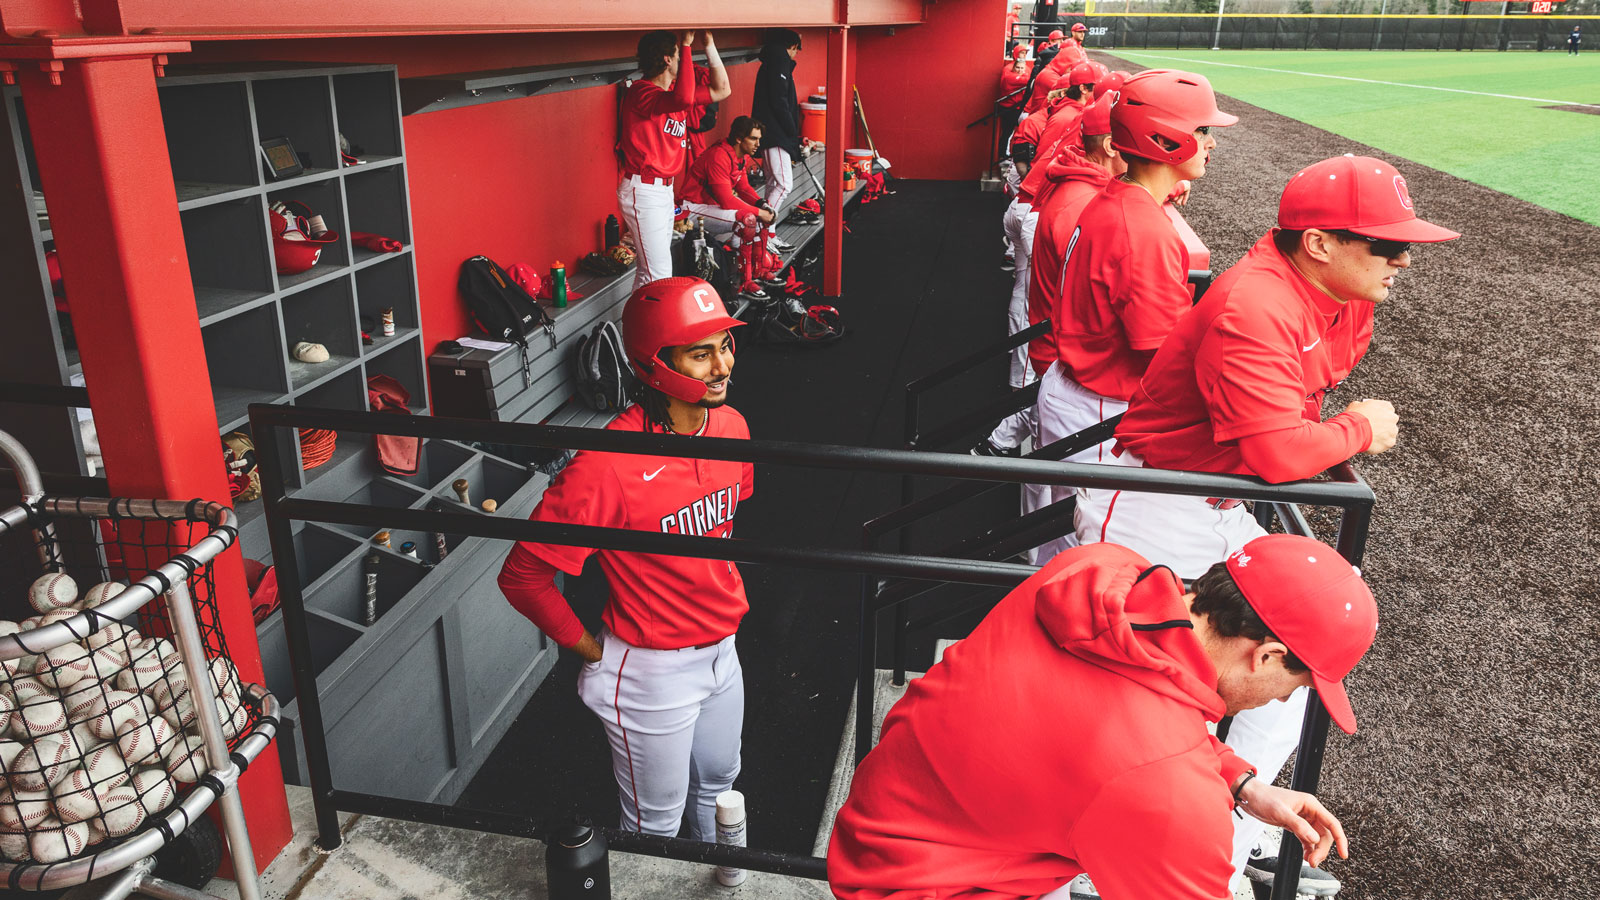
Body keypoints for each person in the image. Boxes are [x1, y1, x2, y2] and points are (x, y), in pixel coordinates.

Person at [1079, 155, 1457, 890]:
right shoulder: (1256, 302)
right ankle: (1101, 856)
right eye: (1384, 244)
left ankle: (1228, 838)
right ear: (1319, 243)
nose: (1403, 258)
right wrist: (1353, 430)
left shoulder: (1333, 293)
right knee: (1140, 690)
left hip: (1215, 502)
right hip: (1156, 502)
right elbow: (1280, 453)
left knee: (1298, 667)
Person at [827, 535, 1376, 900]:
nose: (1283, 701)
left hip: (888, 824)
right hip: (933, 884)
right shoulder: (1166, 788)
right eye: (1298, 685)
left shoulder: (1098, 568)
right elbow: (1142, 758)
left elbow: (1121, 725)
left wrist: (1239, 781)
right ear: (1267, 655)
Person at [498, 277, 754, 842]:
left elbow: (727, 521)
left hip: (723, 653)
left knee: (721, 786)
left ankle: (727, 882)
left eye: (725, 345)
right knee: (653, 824)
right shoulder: (608, 462)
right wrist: (592, 651)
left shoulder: (733, 426)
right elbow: (522, 577)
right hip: (652, 669)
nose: (722, 366)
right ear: (656, 362)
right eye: (701, 352)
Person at [1033, 70, 1236, 535]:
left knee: (1054, 541)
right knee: (1087, 554)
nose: (1211, 143)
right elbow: (1163, 355)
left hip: (1078, 390)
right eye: (1202, 130)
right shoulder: (1141, 228)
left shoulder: (1118, 198)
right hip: (1101, 407)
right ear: (1166, 139)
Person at [618, 31, 731, 291]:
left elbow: (722, 89)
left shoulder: (671, 93)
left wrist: (710, 45)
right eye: (679, 56)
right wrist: (688, 45)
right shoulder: (641, 92)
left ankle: (633, 330)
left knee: (651, 273)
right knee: (658, 275)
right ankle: (647, 331)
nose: (682, 60)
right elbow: (682, 98)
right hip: (644, 189)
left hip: (663, 191)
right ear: (668, 59)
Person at [751, 28, 803, 254]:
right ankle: (762, 233)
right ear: (790, 47)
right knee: (783, 185)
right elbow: (780, 102)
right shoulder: (779, 60)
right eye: (796, 50)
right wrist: (793, 133)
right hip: (776, 135)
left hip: (771, 133)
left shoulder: (772, 61)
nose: (795, 56)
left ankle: (766, 235)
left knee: (773, 183)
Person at [998, 45, 1033, 158]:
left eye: (1025, 53)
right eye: (1021, 52)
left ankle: (1013, 155)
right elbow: (1008, 81)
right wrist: (1023, 80)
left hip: (1020, 107)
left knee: (1020, 133)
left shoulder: (1026, 67)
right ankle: (1003, 155)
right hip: (1008, 107)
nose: (1023, 55)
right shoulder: (1008, 68)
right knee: (1007, 132)